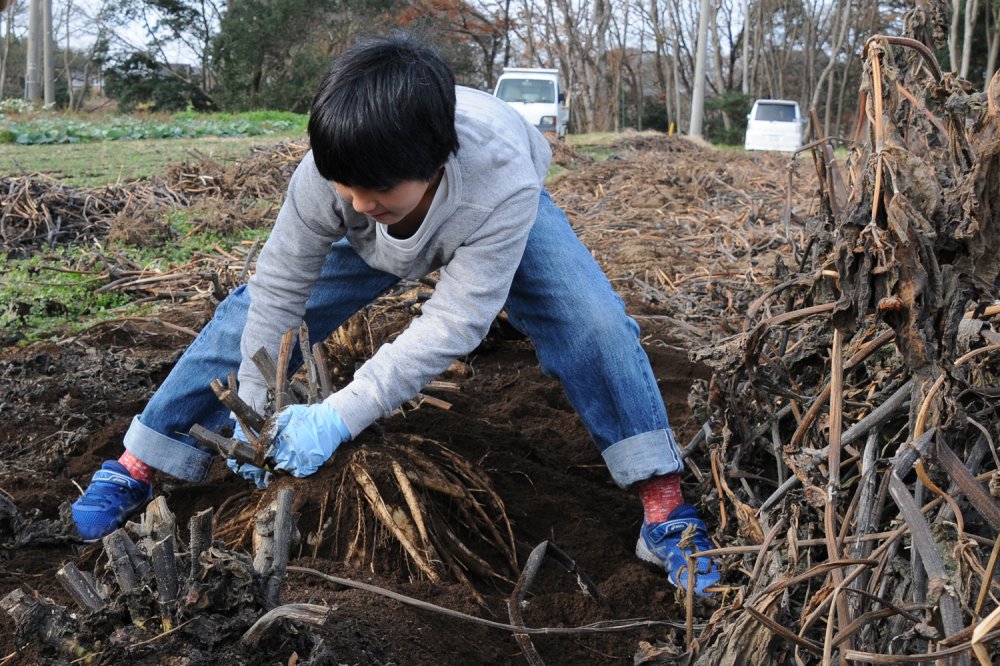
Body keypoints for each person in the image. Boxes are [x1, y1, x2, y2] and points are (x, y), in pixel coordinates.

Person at [70, 34, 721, 595]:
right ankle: (143, 461)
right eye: (343, 185)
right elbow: (278, 288)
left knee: (594, 323)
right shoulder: (338, 181)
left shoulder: (502, 183)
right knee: (244, 316)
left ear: (433, 164)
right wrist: (251, 397)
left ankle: (662, 506)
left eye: (372, 190)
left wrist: (336, 415)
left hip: (486, 221)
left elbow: (456, 322)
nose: (354, 199)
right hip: (374, 239)